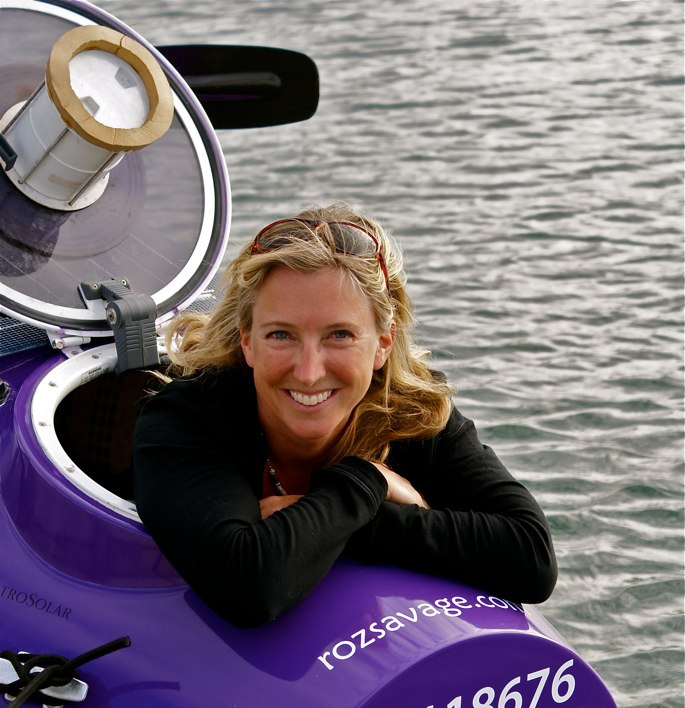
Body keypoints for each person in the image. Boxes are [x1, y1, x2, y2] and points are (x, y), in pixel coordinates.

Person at [133, 203, 557, 627]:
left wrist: (350, 514)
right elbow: (249, 585)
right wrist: (367, 481)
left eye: (340, 335)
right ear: (247, 341)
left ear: (383, 344)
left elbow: (531, 559)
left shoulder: (413, 412)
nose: (309, 370)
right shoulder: (187, 417)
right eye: (280, 334)